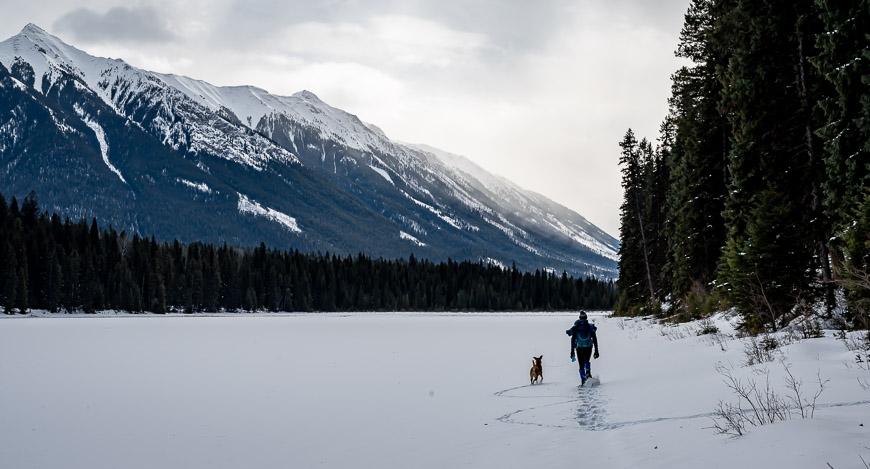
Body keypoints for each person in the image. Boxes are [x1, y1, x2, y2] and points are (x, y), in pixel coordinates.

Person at [566, 311, 599, 385]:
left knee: (581, 365)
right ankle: (588, 373)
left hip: (579, 347)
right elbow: (595, 339)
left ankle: (583, 380)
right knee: (587, 360)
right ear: (586, 318)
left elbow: (573, 339)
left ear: (579, 318)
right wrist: (596, 350)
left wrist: (572, 351)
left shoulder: (576, 327)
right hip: (588, 347)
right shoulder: (590, 327)